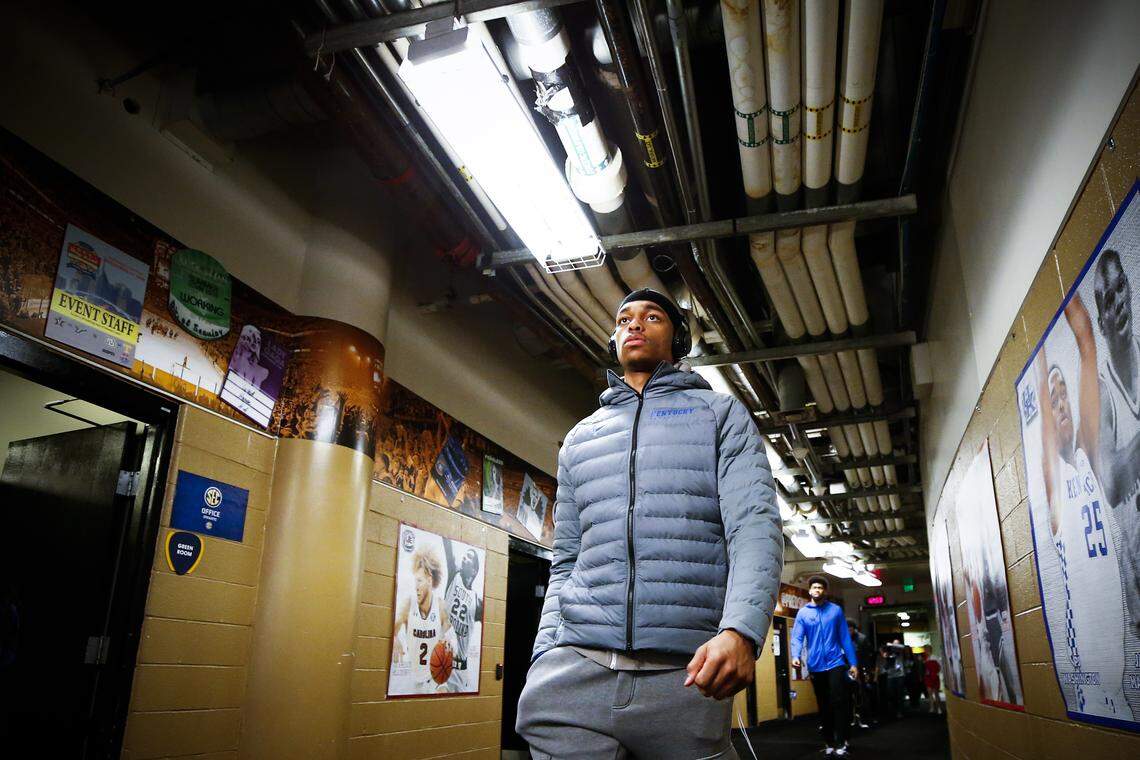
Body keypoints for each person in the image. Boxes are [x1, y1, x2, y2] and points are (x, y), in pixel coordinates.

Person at [516, 288, 782, 759]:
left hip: (683, 677)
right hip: (575, 671)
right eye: (624, 319)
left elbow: (754, 528)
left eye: (652, 316)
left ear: (677, 340)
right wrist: (544, 654)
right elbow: (567, 560)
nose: (634, 325)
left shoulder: (719, 415)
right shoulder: (580, 437)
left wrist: (741, 631)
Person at [1036, 293, 1129, 718]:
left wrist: (1059, 291)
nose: (1060, 403)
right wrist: (1039, 361)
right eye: (1052, 400)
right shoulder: (1057, 487)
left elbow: (1087, 342)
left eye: (1063, 394)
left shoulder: (1089, 459)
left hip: (1123, 692)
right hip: (1088, 690)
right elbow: (1041, 403)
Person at [1091, 250, 1140, 637]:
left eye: (1120, 288)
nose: (1118, 303)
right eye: (1107, 301)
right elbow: (1112, 483)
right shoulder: (1101, 394)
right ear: (1101, 322)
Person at [790, 576, 858, 756]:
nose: (817, 590)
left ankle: (842, 741)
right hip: (815, 665)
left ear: (825, 591)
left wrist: (853, 663)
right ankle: (829, 741)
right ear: (810, 591)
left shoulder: (835, 611)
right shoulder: (803, 613)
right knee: (823, 704)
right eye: (814, 587)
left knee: (838, 701)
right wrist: (795, 655)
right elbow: (797, 637)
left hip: (836, 663)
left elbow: (844, 637)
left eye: (820, 587)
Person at [392, 545, 453, 693]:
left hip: (434, 679)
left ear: (430, 580)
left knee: (444, 692)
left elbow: (450, 634)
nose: (416, 586)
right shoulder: (408, 604)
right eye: (415, 581)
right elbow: (392, 628)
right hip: (412, 678)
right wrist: (394, 639)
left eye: (419, 581)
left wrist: (449, 640)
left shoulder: (441, 608)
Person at [441, 537, 483, 693]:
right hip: (441, 660)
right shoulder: (454, 575)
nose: (465, 558)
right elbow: (448, 547)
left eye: (469, 557)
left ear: (474, 570)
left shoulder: (477, 602)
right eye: (464, 555)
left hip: (459, 669)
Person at [923, 648, 943, 714]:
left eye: (926, 650)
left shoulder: (935, 657)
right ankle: (932, 707)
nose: (925, 651)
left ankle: (939, 708)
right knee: (930, 693)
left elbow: (940, 666)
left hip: (934, 677)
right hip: (928, 677)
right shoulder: (925, 658)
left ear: (930, 650)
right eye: (925, 650)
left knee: (936, 693)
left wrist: (937, 673)